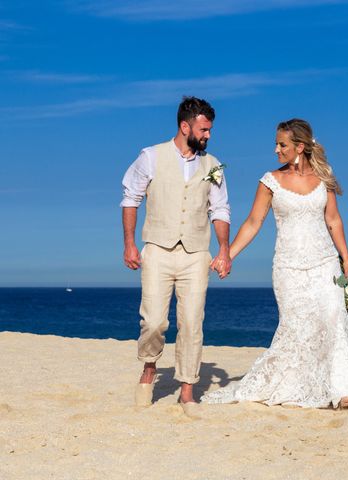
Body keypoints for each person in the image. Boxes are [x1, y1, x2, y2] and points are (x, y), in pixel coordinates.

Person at [201, 118, 348, 409]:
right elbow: (253, 222)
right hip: (288, 266)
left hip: (325, 263)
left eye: (281, 145)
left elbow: (333, 220)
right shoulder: (270, 181)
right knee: (296, 327)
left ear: (299, 147)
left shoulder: (323, 179)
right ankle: (297, 386)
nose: (276, 150)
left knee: (333, 319)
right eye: (276, 144)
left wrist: (346, 258)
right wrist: (228, 254)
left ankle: (341, 389)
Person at [121, 96, 231, 416]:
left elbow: (220, 209)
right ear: (186, 127)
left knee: (192, 322)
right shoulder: (150, 156)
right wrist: (129, 244)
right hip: (157, 248)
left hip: (196, 252)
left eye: (210, 129)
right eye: (204, 129)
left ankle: (187, 390)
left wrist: (223, 250)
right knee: (154, 321)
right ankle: (150, 367)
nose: (208, 135)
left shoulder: (213, 166)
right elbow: (131, 199)